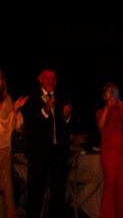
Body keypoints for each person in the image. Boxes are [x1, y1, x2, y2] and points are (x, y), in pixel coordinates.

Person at [21, 67, 72, 218]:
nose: (51, 81)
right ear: (40, 79)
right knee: (36, 191)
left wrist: (67, 116)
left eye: (54, 78)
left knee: (58, 192)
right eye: (48, 78)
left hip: (59, 153)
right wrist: (45, 110)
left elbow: (65, 125)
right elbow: (30, 123)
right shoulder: (32, 98)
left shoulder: (61, 96)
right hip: (39, 153)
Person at [96, 82, 123, 218]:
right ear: (104, 96)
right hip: (109, 153)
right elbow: (101, 125)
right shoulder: (101, 111)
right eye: (109, 91)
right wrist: (108, 107)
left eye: (114, 91)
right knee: (111, 183)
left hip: (122, 152)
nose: (112, 94)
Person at [0, 68, 27, 218]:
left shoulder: (7, 99)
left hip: (3, 150)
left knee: (7, 191)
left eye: (0, 78)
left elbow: (12, 127)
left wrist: (15, 110)